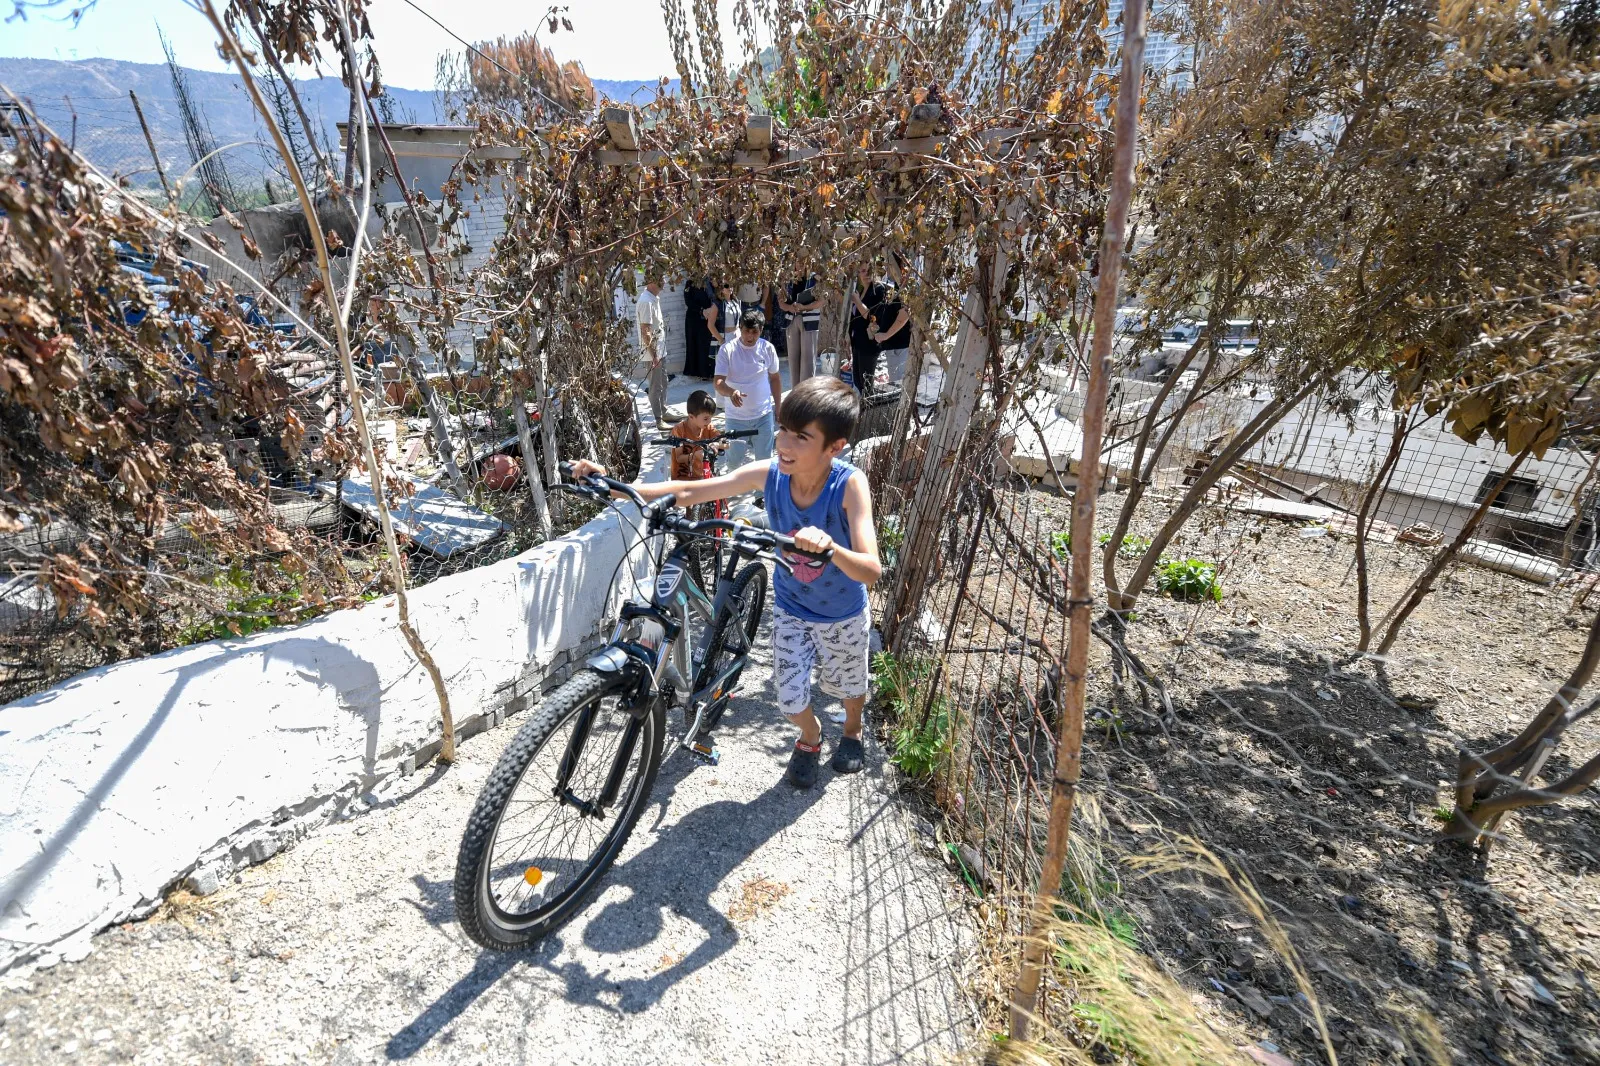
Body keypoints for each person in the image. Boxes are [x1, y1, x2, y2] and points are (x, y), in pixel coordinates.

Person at [570, 376, 882, 788]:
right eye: (783, 431)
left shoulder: (849, 485)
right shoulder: (770, 475)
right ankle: (810, 736)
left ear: (834, 447)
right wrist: (619, 489)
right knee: (790, 699)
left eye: (801, 438)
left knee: (849, 686)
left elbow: (871, 570)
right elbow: (687, 490)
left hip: (842, 612)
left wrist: (830, 549)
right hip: (793, 609)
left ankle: (852, 729)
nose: (784, 445)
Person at [714, 310, 783, 470]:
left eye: (755, 332)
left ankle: (761, 495)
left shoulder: (768, 348)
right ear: (740, 328)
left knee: (764, 464)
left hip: (763, 417)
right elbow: (718, 382)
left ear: (761, 330)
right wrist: (731, 392)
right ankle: (733, 492)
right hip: (736, 418)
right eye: (747, 331)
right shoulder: (727, 350)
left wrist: (778, 407)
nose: (750, 336)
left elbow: (775, 379)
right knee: (734, 463)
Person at [847, 262, 886, 396]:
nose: (867, 274)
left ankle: (868, 414)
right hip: (857, 342)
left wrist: (857, 301)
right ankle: (863, 412)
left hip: (869, 344)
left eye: (870, 271)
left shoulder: (878, 290)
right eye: (863, 271)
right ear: (858, 273)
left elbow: (871, 316)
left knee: (866, 384)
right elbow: (853, 318)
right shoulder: (860, 289)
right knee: (858, 381)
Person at [779, 271, 824, 385]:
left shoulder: (815, 278)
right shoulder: (787, 277)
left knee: (808, 361)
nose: (800, 263)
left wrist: (804, 307)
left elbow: (822, 301)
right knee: (793, 360)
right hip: (791, 320)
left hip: (809, 321)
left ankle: (806, 394)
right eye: (797, 259)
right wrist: (789, 307)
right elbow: (781, 302)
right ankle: (795, 392)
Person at [670, 390, 725, 480]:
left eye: (711, 418)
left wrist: (717, 444)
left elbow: (726, 443)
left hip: (702, 476)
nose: (709, 421)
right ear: (691, 416)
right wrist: (695, 456)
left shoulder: (708, 427)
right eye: (706, 418)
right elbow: (679, 458)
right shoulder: (679, 430)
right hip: (682, 479)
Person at [634, 276, 667, 423]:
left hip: (660, 350)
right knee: (655, 386)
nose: (664, 281)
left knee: (663, 382)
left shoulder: (653, 298)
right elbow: (645, 331)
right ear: (651, 281)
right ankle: (657, 419)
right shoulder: (646, 301)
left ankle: (663, 412)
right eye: (661, 279)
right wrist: (654, 356)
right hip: (653, 354)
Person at [868, 279, 912, 386]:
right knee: (895, 382)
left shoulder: (903, 287)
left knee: (899, 385)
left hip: (900, 347)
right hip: (894, 346)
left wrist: (886, 335)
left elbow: (905, 313)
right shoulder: (896, 286)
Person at [682, 278, 717, 379]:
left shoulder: (711, 281)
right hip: (695, 318)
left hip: (710, 317)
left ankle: (708, 372)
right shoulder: (690, 283)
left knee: (707, 345)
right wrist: (701, 310)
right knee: (695, 344)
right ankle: (698, 372)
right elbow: (688, 301)